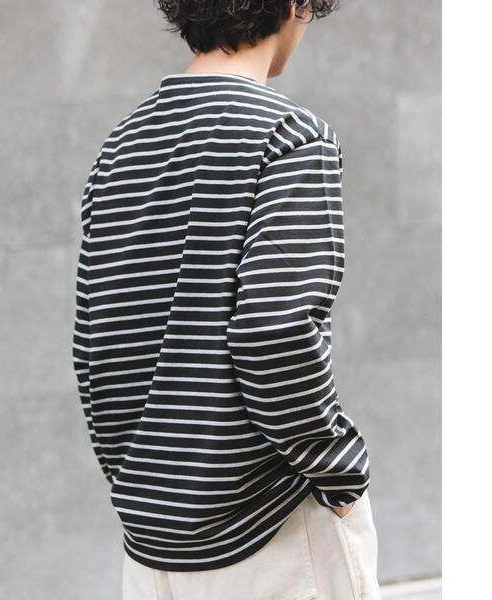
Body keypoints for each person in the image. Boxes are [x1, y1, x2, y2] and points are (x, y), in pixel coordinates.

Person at [72, 1, 380, 598]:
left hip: (154, 545)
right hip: (272, 526)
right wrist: (339, 471)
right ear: (294, 6)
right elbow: (276, 332)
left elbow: (96, 346)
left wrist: (139, 485)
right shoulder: (289, 136)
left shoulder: (121, 147)